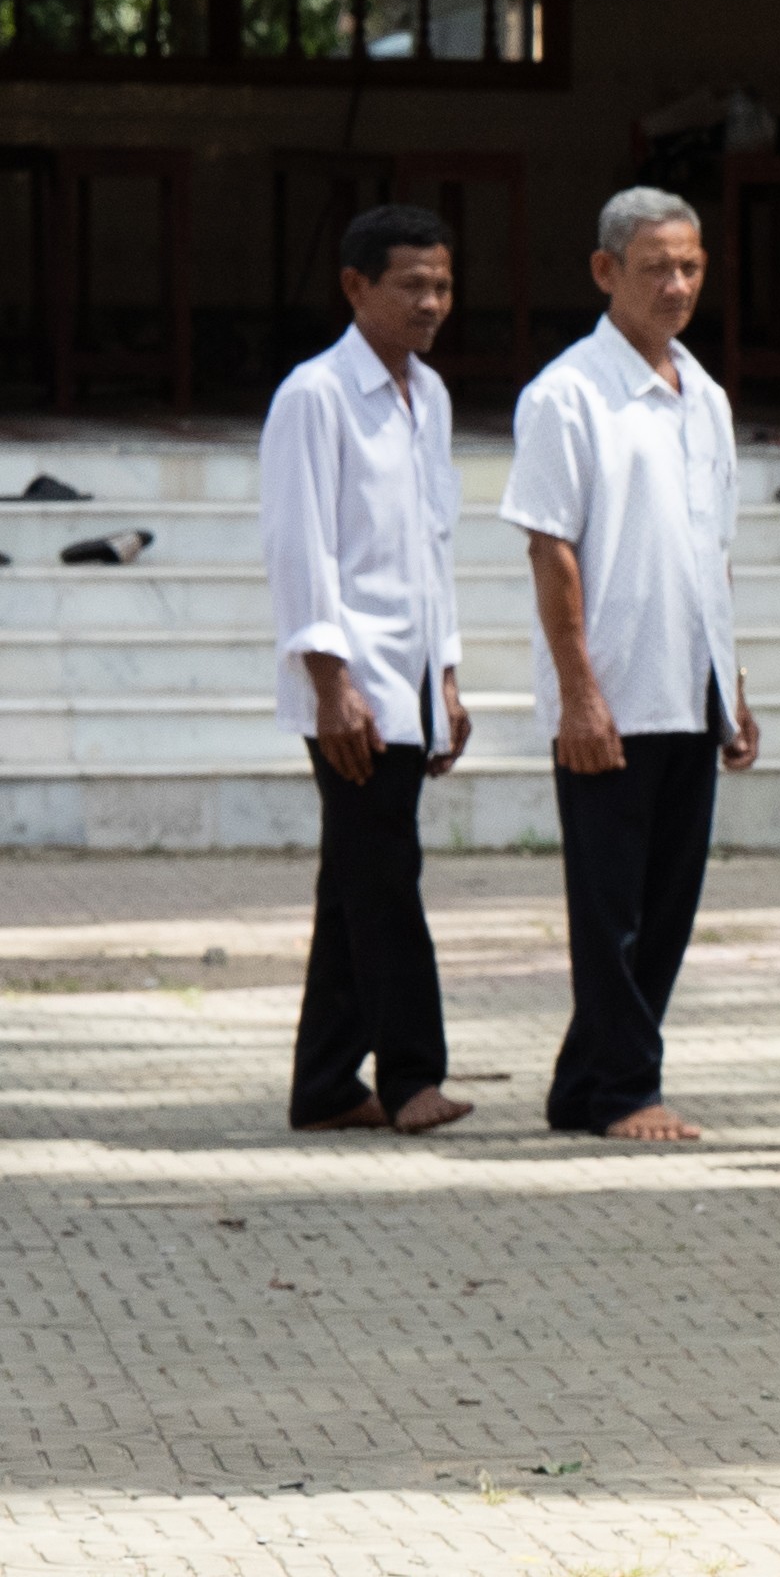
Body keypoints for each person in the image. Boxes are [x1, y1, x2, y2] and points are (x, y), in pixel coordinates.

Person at [508, 186, 751, 1143]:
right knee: (609, 907)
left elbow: (712, 551)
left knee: (667, 903)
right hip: (610, 690)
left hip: (690, 687)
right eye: (656, 267)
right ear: (607, 271)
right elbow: (550, 548)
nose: (677, 284)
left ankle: (587, 1085)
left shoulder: (709, 396)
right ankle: (622, 1089)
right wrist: (579, 693)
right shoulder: (568, 394)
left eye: (690, 266)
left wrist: (735, 683)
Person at [266, 203, 470, 1136]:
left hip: (413, 676)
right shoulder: (314, 395)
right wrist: (330, 683)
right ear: (355, 288)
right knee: (385, 876)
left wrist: (451, 676)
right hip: (351, 685)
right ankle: (412, 1074)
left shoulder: (429, 396)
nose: (431, 303)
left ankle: (323, 1085)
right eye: (411, 286)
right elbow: (302, 547)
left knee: (354, 880)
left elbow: (434, 547)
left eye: (442, 285)